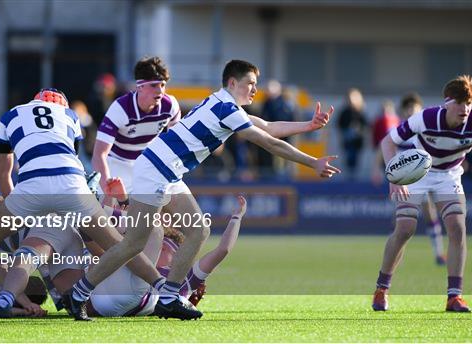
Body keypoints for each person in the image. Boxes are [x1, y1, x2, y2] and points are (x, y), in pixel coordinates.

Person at [67, 59, 341, 321]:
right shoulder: (227, 109)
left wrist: (308, 126)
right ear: (232, 82)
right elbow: (269, 143)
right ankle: (78, 294)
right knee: (134, 243)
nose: (255, 89)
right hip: (156, 169)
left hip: (167, 169)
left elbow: (268, 127)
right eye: (251, 83)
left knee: (198, 229)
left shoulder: (224, 103)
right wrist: (311, 162)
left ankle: (168, 298)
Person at [0, 89, 165, 319]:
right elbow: (68, 156)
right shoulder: (70, 116)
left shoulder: (11, 115)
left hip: (32, 191)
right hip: (72, 188)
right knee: (118, 244)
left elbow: (3, 175)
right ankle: (165, 290)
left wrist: (13, 208)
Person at [372, 75, 472, 312]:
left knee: (457, 227)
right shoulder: (426, 117)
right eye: (460, 103)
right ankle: (381, 289)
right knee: (404, 230)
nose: (465, 109)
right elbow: (387, 143)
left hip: (450, 175)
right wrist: (394, 175)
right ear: (447, 103)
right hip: (418, 172)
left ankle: (454, 297)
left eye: (469, 103)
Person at [87, 195, 247, 317]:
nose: (162, 248)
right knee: (107, 245)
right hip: (105, 296)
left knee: (151, 229)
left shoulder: (186, 277)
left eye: (165, 248)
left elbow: (223, 249)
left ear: (179, 256)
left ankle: (88, 207)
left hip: (132, 298)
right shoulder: (144, 258)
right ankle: (86, 207)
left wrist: (236, 218)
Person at [371, 94, 447, 265]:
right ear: (404, 111)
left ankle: (439, 253)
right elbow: (381, 149)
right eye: (409, 108)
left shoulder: (426, 131)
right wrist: (376, 169)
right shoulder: (398, 130)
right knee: (400, 218)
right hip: (403, 179)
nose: (412, 111)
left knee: (429, 211)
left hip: (423, 177)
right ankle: (397, 256)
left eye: (415, 108)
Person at [92, 57, 181, 197]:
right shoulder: (121, 109)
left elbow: (176, 145)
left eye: (162, 85)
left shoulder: (171, 106)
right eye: (154, 85)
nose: (160, 91)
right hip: (116, 165)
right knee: (111, 216)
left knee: (167, 212)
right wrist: (106, 186)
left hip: (146, 164)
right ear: (139, 86)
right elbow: (99, 154)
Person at [337, 88, 368, 180]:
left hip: (357, 141)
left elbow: (365, 126)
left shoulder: (361, 111)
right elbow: (339, 125)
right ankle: (349, 177)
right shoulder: (344, 112)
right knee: (348, 158)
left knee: (355, 159)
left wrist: (358, 131)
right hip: (347, 141)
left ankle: (353, 177)